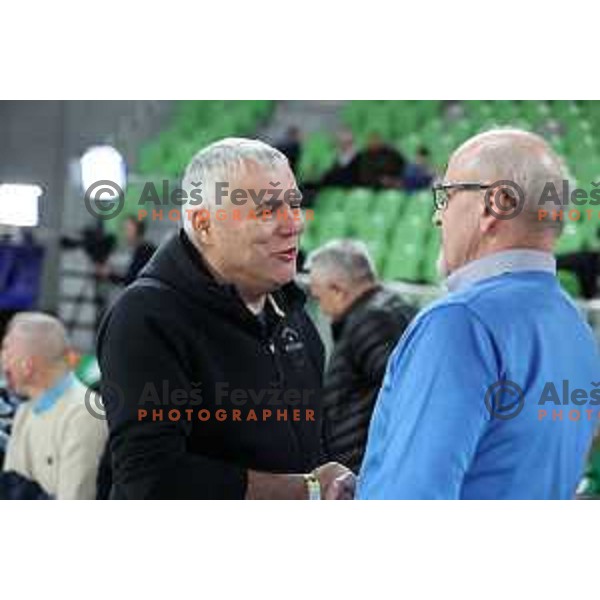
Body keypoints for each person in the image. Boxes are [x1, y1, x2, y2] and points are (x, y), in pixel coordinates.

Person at [97, 138, 353, 499]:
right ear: (204, 224)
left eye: (294, 204)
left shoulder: (292, 315)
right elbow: (152, 480)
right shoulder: (146, 317)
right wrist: (305, 490)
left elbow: (313, 447)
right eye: (267, 210)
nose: (293, 224)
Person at [358, 128, 600, 499]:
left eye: (446, 195)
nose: (438, 216)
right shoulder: (576, 328)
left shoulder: (459, 322)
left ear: (494, 205)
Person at [307, 239, 414, 472]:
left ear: (337, 289)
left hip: (367, 471)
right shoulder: (391, 309)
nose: (322, 309)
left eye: (319, 297)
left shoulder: (373, 320)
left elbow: (404, 392)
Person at [1, 312, 107, 499]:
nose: (2, 361)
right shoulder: (25, 411)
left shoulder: (85, 415)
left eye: (6, 350)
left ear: (28, 364)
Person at [96, 215, 156, 287]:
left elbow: (131, 279)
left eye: (128, 229)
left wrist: (110, 275)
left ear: (138, 230)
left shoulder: (145, 250)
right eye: (124, 229)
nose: (125, 233)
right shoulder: (125, 249)